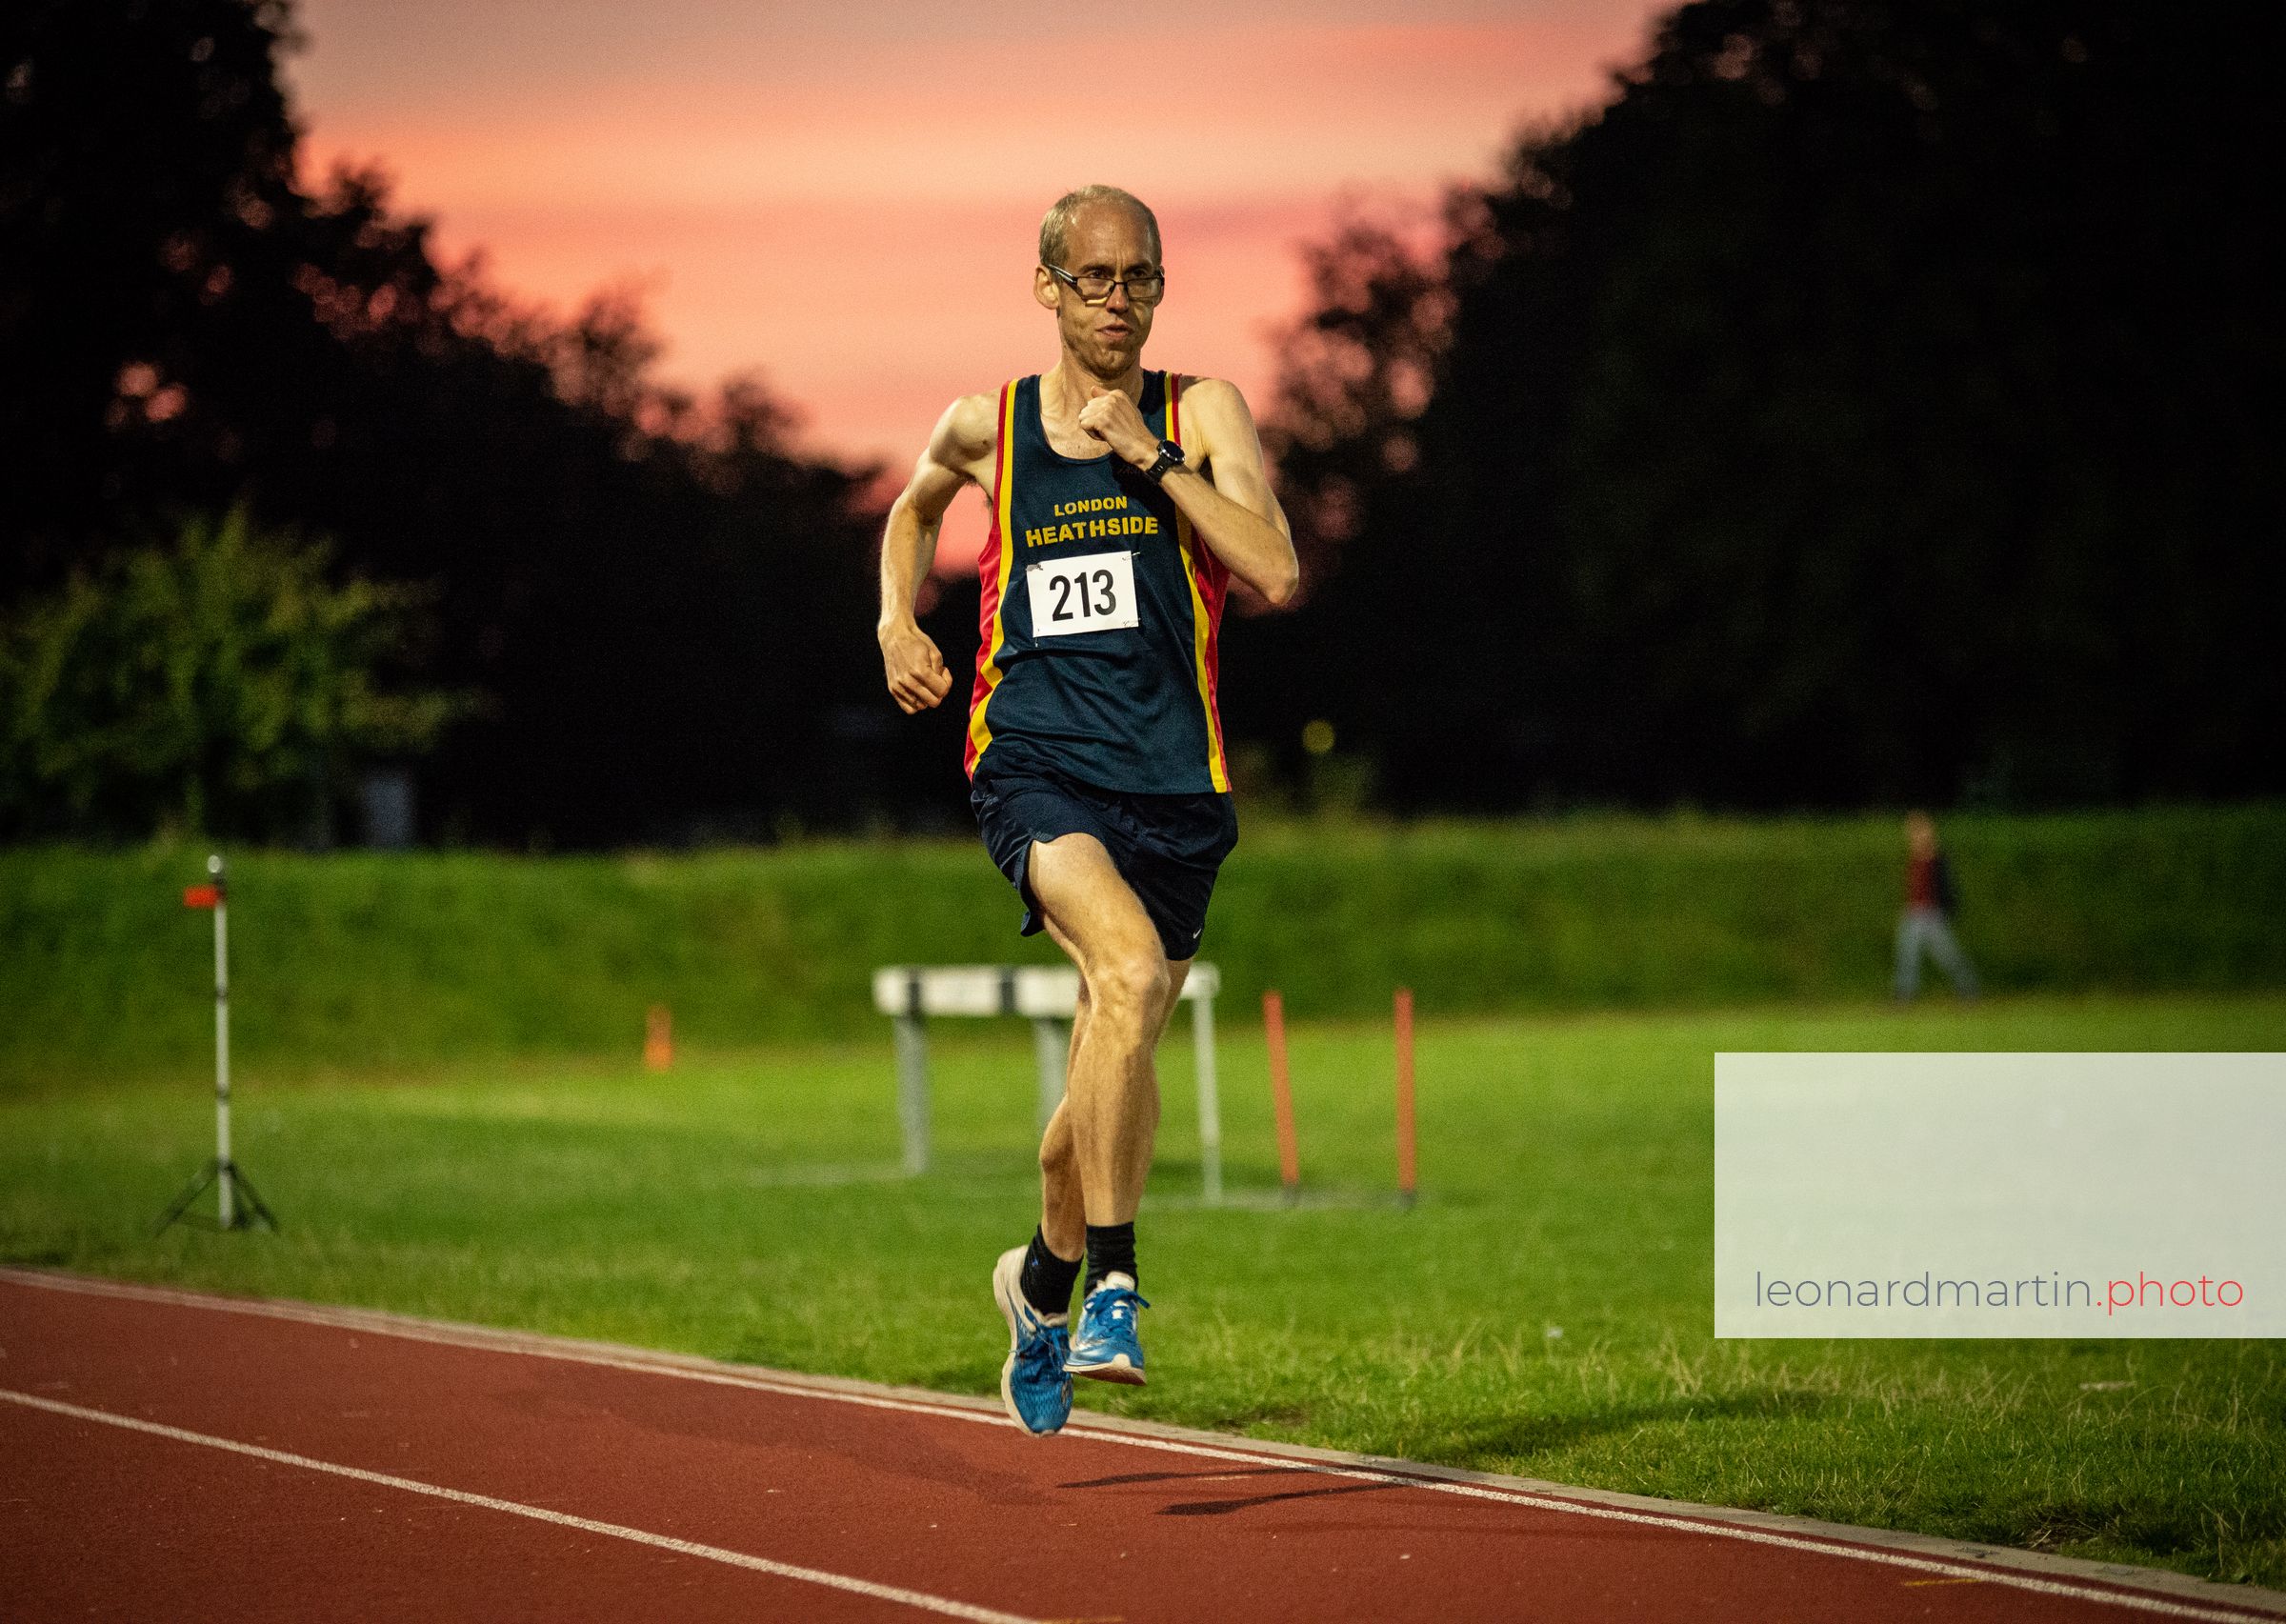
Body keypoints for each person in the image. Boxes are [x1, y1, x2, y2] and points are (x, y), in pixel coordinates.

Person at [874, 186, 1298, 1435]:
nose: (1119, 300)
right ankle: (1114, 1284)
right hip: (1035, 764)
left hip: (1177, 787)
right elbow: (911, 510)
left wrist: (1148, 456)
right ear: (1047, 286)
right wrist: (895, 619)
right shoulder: (989, 424)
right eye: (1095, 277)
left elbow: (1274, 567)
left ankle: (1039, 1284)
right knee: (1125, 970)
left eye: (1140, 277)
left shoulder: (1200, 410)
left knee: (1114, 1054)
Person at [1894, 811, 1978, 1000]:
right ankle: (1903, 996)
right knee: (1907, 956)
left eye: (1916, 831)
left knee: (1948, 955)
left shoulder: (1935, 856)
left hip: (1931, 913)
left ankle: (1969, 989)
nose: (1912, 836)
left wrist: (1948, 907)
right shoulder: (1914, 857)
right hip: (1914, 912)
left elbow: (1945, 885)